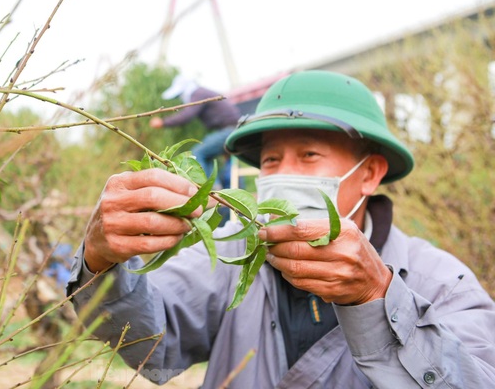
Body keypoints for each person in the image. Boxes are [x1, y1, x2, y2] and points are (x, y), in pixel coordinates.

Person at [67, 70, 495, 388]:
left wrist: (376, 297)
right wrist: (101, 259)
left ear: (370, 174)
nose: (284, 174)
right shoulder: (231, 257)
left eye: (309, 154)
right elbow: (145, 341)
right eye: (271, 160)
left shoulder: (443, 284)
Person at [149, 74, 241, 188]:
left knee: (198, 153)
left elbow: (187, 115)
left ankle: (210, 188)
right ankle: (222, 189)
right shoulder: (202, 92)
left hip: (228, 130)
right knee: (212, 157)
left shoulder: (198, 94)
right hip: (231, 129)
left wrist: (163, 122)